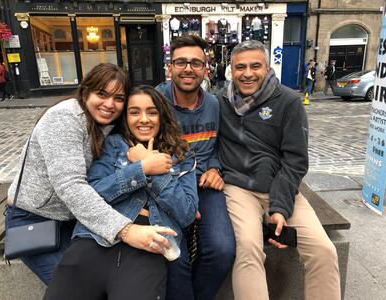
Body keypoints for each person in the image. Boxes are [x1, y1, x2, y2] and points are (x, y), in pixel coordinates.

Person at [44, 85, 199, 299]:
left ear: (162, 116)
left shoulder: (182, 155)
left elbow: (187, 213)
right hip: (98, 236)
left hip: (152, 241)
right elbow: (94, 193)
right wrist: (140, 169)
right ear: (125, 117)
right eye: (134, 112)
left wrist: (154, 170)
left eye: (152, 112)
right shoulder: (114, 145)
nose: (143, 119)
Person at [216, 40, 341, 300]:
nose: (247, 73)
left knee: (323, 251)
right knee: (248, 248)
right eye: (240, 67)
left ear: (267, 67)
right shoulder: (220, 102)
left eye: (255, 66)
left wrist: (280, 207)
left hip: (280, 186)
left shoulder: (288, 101)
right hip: (238, 188)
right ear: (231, 69)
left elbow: (295, 160)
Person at [5, 63, 135, 285]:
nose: (109, 104)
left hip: (73, 218)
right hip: (34, 219)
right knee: (75, 288)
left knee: (111, 278)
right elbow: (70, 185)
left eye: (119, 98)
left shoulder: (109, 125)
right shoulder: (64, 118)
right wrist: (125, 230)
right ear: (85, 91)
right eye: (102, 94)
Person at [156, 35, 235, 300]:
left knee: (222, 249)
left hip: (204, 184)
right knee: (172, 254)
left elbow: (220, 146)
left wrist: (215, 168)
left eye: (195, 63)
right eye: (181, 62)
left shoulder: (214, 104)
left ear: (206, 68)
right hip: (168, 187)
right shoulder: (154, 102)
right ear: (170, 67)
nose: (188, 68)